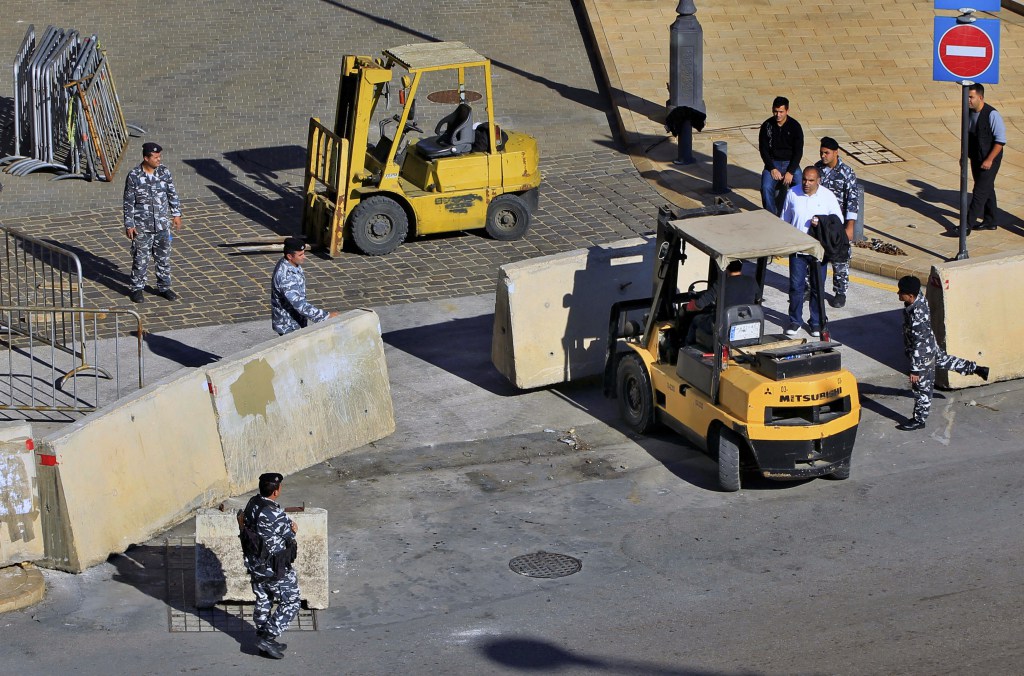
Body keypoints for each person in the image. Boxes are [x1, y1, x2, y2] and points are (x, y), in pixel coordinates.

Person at [896, 276, 989, 431]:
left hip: (923, 354)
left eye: (901, 292)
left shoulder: (917, 314)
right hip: (929, 346)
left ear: (910, 296)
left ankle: (919, 420)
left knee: (921, 388)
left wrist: (915, 369)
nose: (898, 294)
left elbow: (919, 343)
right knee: (946, 361)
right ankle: (976, 368)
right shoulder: (917, 300)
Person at [239, 472, 301, 659]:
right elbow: (288, 535)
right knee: (291, 601)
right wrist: (294, 529)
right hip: (273, 567)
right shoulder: (273, 512)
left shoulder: (252, 503)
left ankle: (263, 637)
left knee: (264, 598)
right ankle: (267, 637)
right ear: (276, 491)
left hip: (255, 563)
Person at [779, 166, 842, 338]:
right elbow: (784, 220)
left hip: (818, 251)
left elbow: (838, 221)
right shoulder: (792, 193)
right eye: (805, 179)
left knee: (817, 288)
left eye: (811, 180)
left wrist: (821, 222)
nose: (806, 183)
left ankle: (815, 322)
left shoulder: (827, 196)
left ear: (818, 181)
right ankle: (795, 320)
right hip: (798, 250)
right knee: (796, 287)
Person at [123, 142, 182, 303]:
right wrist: (129, 224)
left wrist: (176, 214)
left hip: (162, 225)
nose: (159, 160)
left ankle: (164, 287)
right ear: (146, 158)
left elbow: (172, 193)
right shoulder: (134, 176)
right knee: (140, 258)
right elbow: (128, 202)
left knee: (163, 258)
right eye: (155, 157)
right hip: (142, 226)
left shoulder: (164, 172)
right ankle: (137, 289)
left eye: (159, 156)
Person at [815, 137, 859, 308]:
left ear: (836, 153)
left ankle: (840, 292)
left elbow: (852, 201)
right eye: (821, 152)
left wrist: (850, 226)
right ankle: (812, 287)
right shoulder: (817, 169)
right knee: (816, 257)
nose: (823, 156)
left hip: (837, 225)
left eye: (826, 153)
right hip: (819, 223)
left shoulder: (847, 173)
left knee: (840, 260)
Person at [270, 237, 338, 335]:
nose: (304, 257)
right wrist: (325, 317)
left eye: (304, 253)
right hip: (288, 326)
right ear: (289, 256)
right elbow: (299, 304)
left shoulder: (293, 264)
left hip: (296, 322)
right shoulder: (285, 276)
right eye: (300, 254)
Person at [684, 260, 759, 345]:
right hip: (746, 322)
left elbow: (700, 304)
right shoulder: (751, 281)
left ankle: (686, 346)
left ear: (726, 268)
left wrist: (689, 306)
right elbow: (758, 298)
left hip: (723, 325)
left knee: (696, 320)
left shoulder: (722, 283)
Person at [965, 84, 1006, 234]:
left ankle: (966, 226)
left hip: (990, 158)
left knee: (979, 192)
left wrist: (989, 160)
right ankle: (991, 221)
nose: (968, 100)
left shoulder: (992, 114)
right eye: (967, 97)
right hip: (976, 157)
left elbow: (1000, 141)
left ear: (980, 97)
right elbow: (967, 136)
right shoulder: (968, 112)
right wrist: (965, 155)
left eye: (971, 97)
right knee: (987, 188)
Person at [758, 96, 804, 216]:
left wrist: (791, 171)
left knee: (801, 184)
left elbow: (798, 152)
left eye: (781, 112)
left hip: (790, 162)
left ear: (787, 111)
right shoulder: (766, 126)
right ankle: (772, 215)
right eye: (775, 111)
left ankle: (799, 213)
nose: (778, 115)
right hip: (773, 162)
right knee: (766, 187)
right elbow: (763, 150)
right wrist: (772, 168)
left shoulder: (795, 127)